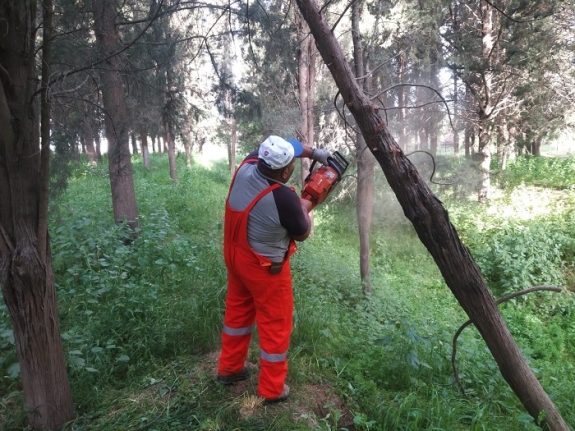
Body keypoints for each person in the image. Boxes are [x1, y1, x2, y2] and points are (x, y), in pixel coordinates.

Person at [217, 135, 331, 403]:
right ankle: (271, 389)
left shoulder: (249, 163)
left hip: (236, 256)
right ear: (286, 171)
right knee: (275, 325)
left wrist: (315, 153)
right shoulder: (283, 199)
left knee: (238, 314)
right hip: (265, 269)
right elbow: (302, 232)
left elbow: (288, 144)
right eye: (291, 162)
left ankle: (230, 369)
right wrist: (311, 199)